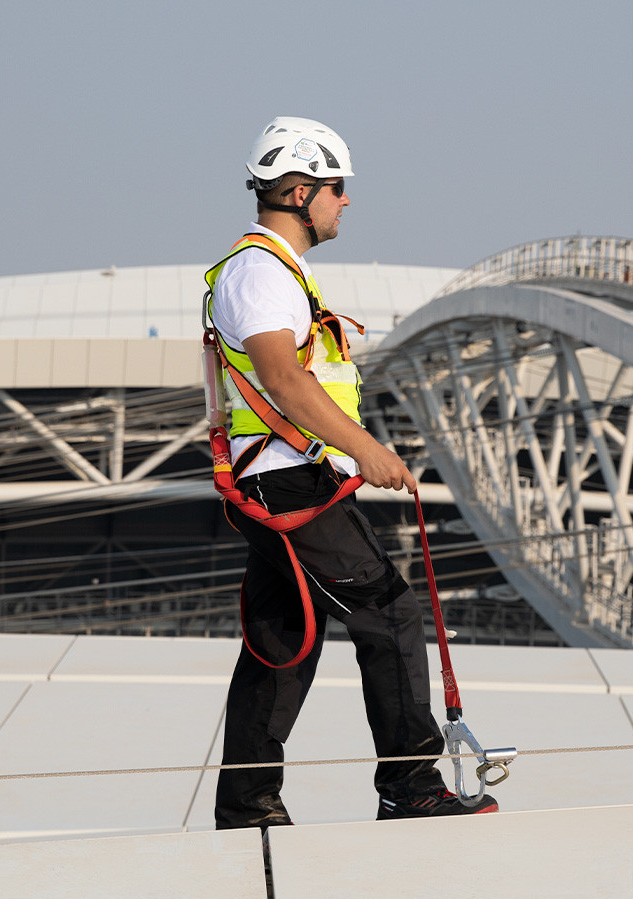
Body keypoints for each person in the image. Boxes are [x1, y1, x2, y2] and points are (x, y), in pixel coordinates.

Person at [205, 116, 499, 828]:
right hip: (290, 483)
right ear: (300, 192)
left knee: (284, 639)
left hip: (282, 480)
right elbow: (284, 378)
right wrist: (365, 448)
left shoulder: (276, 271)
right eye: (337, 188)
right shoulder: (261, 272)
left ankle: (246, 804)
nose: (346, 201)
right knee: (389, 611)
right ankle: (410, 785)